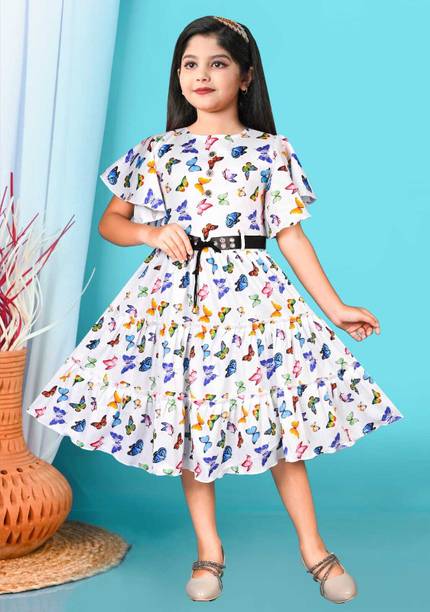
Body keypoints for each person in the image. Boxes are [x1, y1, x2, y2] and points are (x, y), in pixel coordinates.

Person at [26, 14, 404, 605]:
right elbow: (112, 223)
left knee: (278, 421)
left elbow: (291, 236)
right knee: (189, 420)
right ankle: (209, 552)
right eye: (190, 64)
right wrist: (152, 233)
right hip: (176, 300)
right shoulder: (158, 151)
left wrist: (334, 307)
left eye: (218, 63)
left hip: (251, 300)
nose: (201, 75)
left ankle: (315, 550)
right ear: (178, 75)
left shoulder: (270, 152)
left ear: (246, 76)